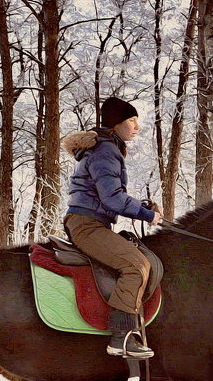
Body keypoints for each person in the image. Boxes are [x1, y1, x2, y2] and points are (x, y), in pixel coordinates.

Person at [62, 96, 163, 359]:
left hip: (92, 222)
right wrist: (147, 215)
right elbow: (112, 198)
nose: (137, 126)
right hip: (88, 225)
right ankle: (123, 336)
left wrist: (142, 206)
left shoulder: (105, 149)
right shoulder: (106, 150)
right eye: (132, 120)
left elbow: (105, 194)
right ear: (116, 123)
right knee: (136, 265)